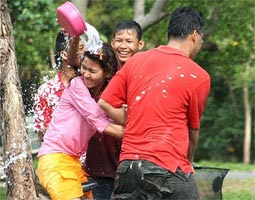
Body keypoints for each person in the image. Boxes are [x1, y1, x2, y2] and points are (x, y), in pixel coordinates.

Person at [98, 7, 211, 200]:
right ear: (194, 35)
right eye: (202, 39)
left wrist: (134, 119)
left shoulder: (136, 61)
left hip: (128, 168)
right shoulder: (198, 75)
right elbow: (193, 131)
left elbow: (105, 103)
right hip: (168, 169)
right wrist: (188, 163)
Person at [37, 42, 124, 200]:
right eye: (83, 67)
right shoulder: (77, 86)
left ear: (107, 73)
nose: (85, 74)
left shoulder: (104, 95)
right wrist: (137, 132)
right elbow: (99, 122)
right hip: (55, 159)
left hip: (74, 163)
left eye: (92, 71)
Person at [83, 20, 144, 200]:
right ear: (112, 42)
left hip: (134, 166)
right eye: (119, 40)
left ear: (140, 44)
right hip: (100, 167)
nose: (123, 46)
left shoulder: (144, 76)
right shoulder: (103, 71)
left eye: (129, 41)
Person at [33, 31, 85, 142]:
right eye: (80, 49)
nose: (84, 53)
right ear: (64, 54)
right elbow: (41, 134)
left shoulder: (90, 84)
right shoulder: (46, 91)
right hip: (61, 156)